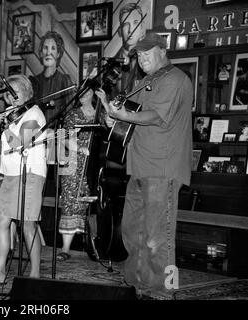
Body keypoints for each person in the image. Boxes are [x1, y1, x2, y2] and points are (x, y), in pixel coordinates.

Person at [96, 31, 193, 298]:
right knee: (133, 232)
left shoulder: (175, 79)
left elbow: (153, 116)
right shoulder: (145, 82)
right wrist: (111, 116)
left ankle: (164, 291)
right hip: (139, 166)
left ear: (163, 50)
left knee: (159, 238)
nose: (141, 57)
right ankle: (138, 284)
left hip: (163, 169)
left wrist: (123, 113)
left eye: (147, 52)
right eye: (138, 54)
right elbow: (129, 120)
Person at [0, 74, 47, 284]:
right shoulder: (10, 114)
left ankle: (35, 274)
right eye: (9, 93)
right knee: (0, 220)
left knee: (28, 225)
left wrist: (5, 124)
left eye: (16, 92)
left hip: (30, 173)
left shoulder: (35, 114)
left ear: (27, 92)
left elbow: (19, 143)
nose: (12, 97)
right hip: (11, 174)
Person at [56, 87, 97, 261]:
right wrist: (79, 147)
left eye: (87, 91)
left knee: (94, 203)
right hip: (74, 163)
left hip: (95, 165)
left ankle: (95, 244)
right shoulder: (72, 114)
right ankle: (65, 248)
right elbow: (64, 138)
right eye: (80, 92)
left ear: (94, 93)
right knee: (70, 203)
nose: (83, 95)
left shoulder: (100, 114)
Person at [30, 31, 73, 126]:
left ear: (58, 54)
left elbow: (71, 112)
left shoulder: (64, 80)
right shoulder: (33, 81)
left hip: (59, 134)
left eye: (53, 48)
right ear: (41, 53)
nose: (48, 52)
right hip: (36, 133)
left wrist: (68, 138)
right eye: (45, 48)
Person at [113, 3, 147, 95]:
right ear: (120, 31)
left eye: (135, 22)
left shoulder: (148, 60)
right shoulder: (112, 63)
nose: (130, 30)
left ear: (142, 27)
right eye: (125, 24)